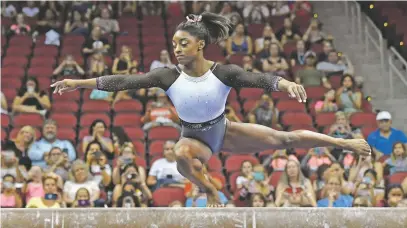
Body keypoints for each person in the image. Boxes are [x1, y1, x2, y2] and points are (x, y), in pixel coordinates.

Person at [51, 12, 371, 207]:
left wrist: (285, 84)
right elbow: (125, 81)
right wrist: (80, 83)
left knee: (284, 138)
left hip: (224, 130)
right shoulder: (167, 75)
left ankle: (344, 143)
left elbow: (256, 78)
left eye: (183, 44)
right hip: (195, 139)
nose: (176, 49)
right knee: (180, 155)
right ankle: (209, 189)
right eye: (175, 44)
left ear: (200, 45)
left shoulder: (223, 72)